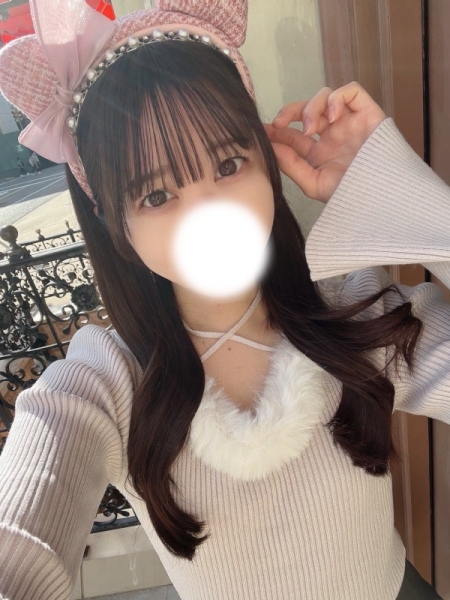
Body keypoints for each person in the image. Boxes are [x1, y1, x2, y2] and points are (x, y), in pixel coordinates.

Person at [0, 1, 448, 599]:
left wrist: (395, 191)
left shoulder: (356, 315)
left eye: (228, 163)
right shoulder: (108, 383)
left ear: (266, 161)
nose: (208, 215)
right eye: (156, 195)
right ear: (115, 223)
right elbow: (22, 536)